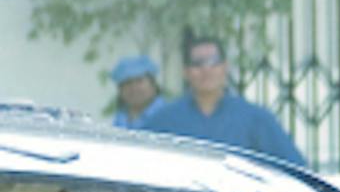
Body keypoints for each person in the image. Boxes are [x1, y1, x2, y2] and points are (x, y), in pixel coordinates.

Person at [140, 35, 307, 166]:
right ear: (186, 72)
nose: (206, 70)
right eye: (197, 63)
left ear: (225, 67)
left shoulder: (255, 118)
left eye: (213, 62)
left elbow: (295, 167)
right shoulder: (164, 120)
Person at [109, 53, 161, 128]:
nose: (134, 88)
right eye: (127, 83)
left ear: (153, 84)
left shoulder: (167, 115)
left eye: (139, 81)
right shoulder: (120, 118)